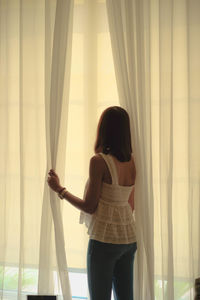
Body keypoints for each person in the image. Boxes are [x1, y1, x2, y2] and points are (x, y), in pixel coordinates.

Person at [47, 106, 137, 300]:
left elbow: (89, 206)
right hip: (128, 239)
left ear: (103, 129)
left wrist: (59, 190)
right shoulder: (132, 162)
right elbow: (131, 204)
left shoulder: (98, 161)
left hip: (104, 241)